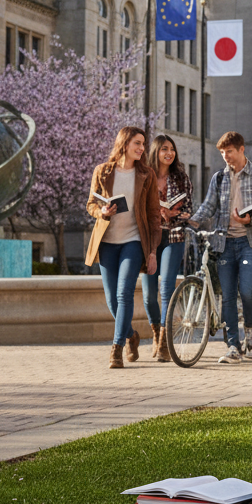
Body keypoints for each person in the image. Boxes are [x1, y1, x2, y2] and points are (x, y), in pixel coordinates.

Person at [189, 131, 252, 363]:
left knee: (247, 291)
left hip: (250, 242)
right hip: (224, 242)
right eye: (222, 152)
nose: (225, 156)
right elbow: (208, 206)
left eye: (229, 151)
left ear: (241, 149)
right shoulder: (219, 178)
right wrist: (192, 220)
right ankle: (233, 347)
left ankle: (250, 333)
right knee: (227, 296)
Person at [85, 126, 161, 369]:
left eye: (143, 144)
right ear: (124, 143)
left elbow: (153, 216)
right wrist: (102, 211)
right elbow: (91, 204)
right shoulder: (103, 171)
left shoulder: (146, 175)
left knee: (123, 293)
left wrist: (151, 251)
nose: (141, 148)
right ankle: (131, 335)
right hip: (107, 242)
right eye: (137, 143)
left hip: (133, 240)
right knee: (111, 300)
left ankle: (116, 348)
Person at [142, 134, 193, 362]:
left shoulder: (181, 178)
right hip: (151, 239)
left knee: (167, 289)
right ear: (156, 152)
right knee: (148, 296)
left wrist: (174, 215)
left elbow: (189, 211)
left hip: (174, 236)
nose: (169, 153)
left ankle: (164, 342)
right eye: (164, 149)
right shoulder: (144, 177)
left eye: (171, 149)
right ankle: (155, 333)